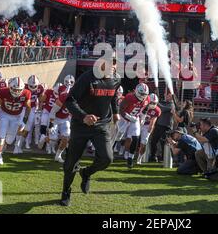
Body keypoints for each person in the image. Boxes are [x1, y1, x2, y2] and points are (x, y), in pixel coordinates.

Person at [60, 59, 121, 207]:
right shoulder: (87, 78)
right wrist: (83, 116)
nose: (112, 66)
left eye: (114, 63)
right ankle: (66, 192)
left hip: (101, 125)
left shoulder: (116, 79)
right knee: (71, 163)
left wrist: (115, 113)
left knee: (107, 158)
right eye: (109, 62)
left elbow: (112, 96)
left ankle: (86, 173)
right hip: (81, 125)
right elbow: (69, 100)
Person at [0, 77, 32, 165]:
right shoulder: (3, 91)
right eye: (15, 89)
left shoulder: (26, 93)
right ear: (10, 87)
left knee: (9, 141)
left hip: (16, 116)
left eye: (19, 90)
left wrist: (24, 121)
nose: (17, 91)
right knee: (1, 137)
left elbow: (28, 108)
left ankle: (3, 145)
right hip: (4, 115)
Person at [119, 83, 150, 168]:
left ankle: (130, 157)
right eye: (142, 94)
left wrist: (143, 117)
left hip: (134, 119)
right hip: (123, 118)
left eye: (145, 94)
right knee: (118, 137)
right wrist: (128, 117)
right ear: (136, 91)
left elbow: (146, 108)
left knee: (136, 137)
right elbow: (120, 109)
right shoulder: (129, 97)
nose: (143, 96)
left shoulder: (147, 98)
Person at [149, 92, 175, 163]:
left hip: (167, 127)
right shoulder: (162, 102)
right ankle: (153, 156)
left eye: (170, 96)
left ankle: (164, 158)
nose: (168, 97)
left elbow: (162, 109)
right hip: (159, 125)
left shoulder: (172, 105)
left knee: (164, 143)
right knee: (154, 141)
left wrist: (156, 103)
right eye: (167, 96)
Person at [137, 94, 161, 165]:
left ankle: (139, 158)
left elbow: (153, 121)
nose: (153, 104)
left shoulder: (157, 110)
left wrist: (150, 130)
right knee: (133, 138)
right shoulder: (142, 105)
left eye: (155, 103)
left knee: (144, 142)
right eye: (152, 103)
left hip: (147, 125)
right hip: (137, 122)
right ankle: (128, 155)